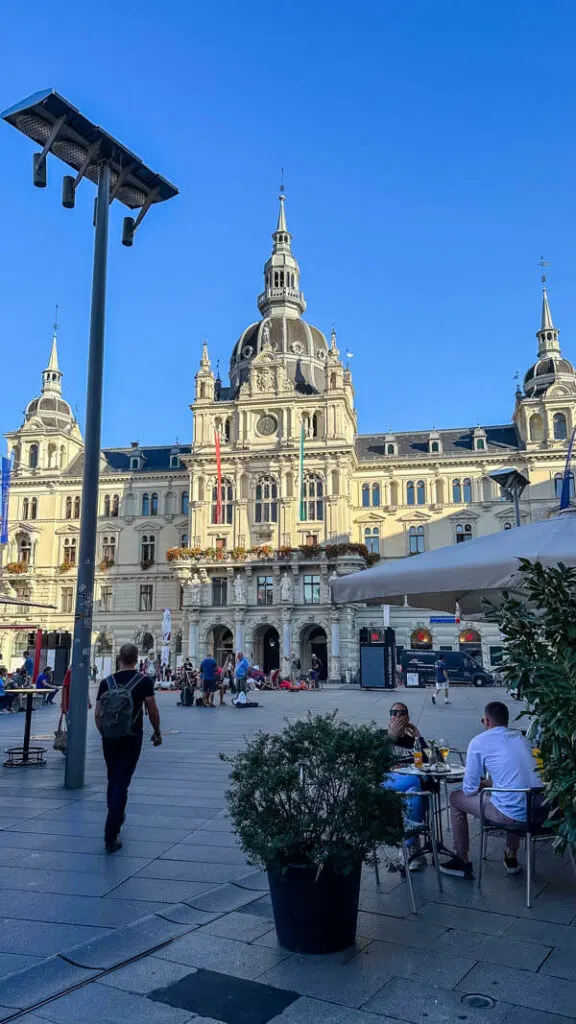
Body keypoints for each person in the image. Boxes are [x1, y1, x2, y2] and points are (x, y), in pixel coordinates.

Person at [440, 701, 542, 879]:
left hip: (509, 816)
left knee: (456, 798)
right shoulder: (522, 739)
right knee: (513, 798)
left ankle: (461, 858)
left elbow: (470, 789)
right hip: (537, 811)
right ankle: (511, 855)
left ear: (487, 721)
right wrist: (489, 783)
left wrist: (481, 784)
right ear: (506, 721)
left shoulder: (479, 741)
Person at [95, 642, 162, 853]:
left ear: (119, 658)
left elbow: (98, 714)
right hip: (132, 737)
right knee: (122, 782)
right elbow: (152, 710)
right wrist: (157, 732)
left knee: (113, 778)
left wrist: (105, 733)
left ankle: (115, 813)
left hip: (109, 738)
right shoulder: (143, 682)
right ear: (137, 659)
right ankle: (111, 833)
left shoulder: (107, 682)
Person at [381, 702, 428, 870]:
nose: (398, 717)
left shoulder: (412, 742)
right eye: (394, 713)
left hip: (409, 788)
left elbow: (431, 763)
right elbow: (374, 761)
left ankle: (409, 845)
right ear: (389, 717)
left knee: (414, 792)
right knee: (414, 781)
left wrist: (418, 734)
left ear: (407, 718)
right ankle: (412, 845)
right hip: (387, 784)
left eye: (402, 713)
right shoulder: (381, 737)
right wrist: (391, 738)